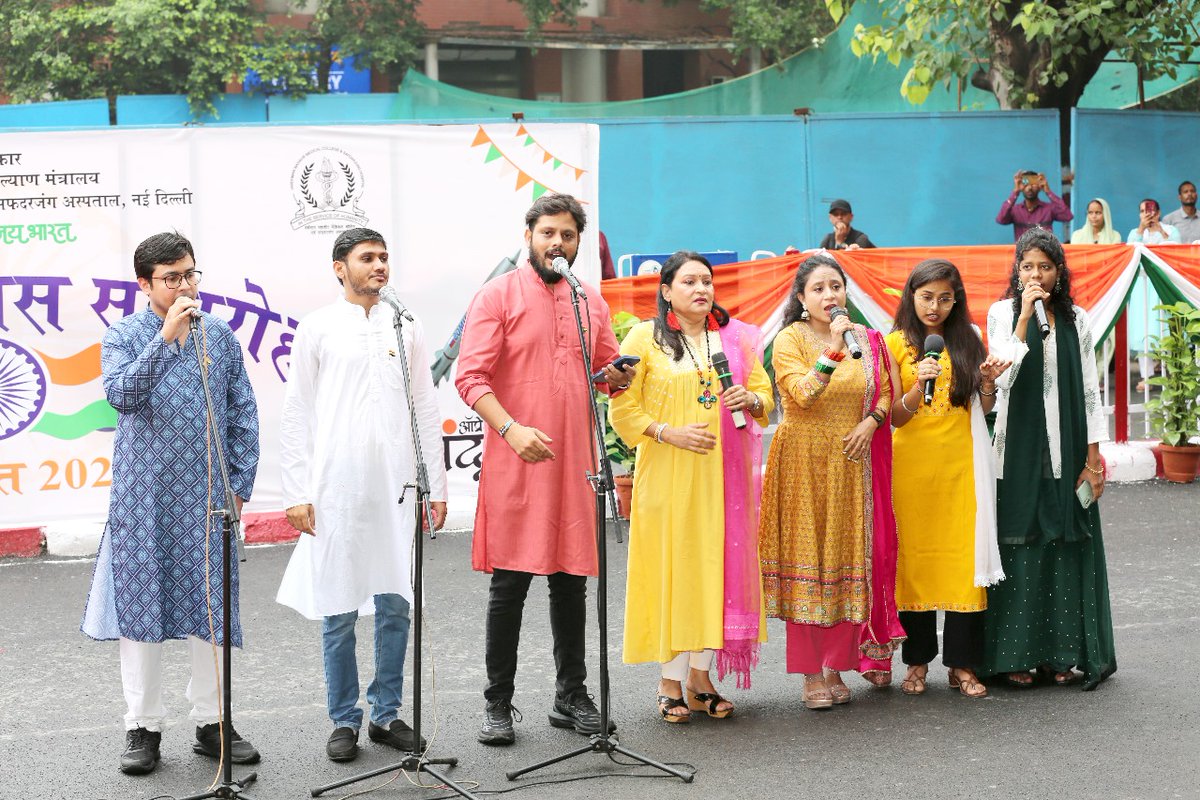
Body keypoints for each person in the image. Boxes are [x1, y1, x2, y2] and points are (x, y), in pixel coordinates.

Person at [455, 193, 636, 746]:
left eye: (568, 235)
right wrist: (512, 430)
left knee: (570, 582)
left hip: (575, 462)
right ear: (528, 235)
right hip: (517, 458)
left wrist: (619, 375)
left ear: (579, 242)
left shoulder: (589, 300)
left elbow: (603, 369)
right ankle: (498, 704)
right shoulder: (498, 295)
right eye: (548, 233)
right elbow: (470, 378)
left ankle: (570, 695)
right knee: (509, 586)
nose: (557, 243)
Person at [80, 231, 260, 775]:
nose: (185, 286)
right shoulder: (125, 335)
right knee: (142, 610)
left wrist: (239, 484)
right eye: (172, 278)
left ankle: (212, 721)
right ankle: (143, 726)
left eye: (190, 274)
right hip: (145, 497)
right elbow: (121, 395)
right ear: (145, 283)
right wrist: (164, 338)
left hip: (207, 497)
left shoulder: (219, 336)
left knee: (211, 611)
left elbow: (242, 411)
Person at [276, 228, 448, 762]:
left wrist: (435, 486)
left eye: (384, 258)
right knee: (340, 607)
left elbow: (424, 405)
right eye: (366, 258)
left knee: (396, 601)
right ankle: (344, 719)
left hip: (396, 484)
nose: (379, 267)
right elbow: (297, 411)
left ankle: (387, 714)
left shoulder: (408, 325)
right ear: (339, 267)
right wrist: (298, 490)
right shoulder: (318, 328)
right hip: (338, 488)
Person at [610, 251, 774, 723]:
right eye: (689, 282)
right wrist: (668, 432)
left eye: (707, 281)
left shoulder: (735, 339)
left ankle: (702, 678)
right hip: (668, 476)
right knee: (674, 574)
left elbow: (763, 399)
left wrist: (754, 398)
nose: (701, 289)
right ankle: (669, 680)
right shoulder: (644, 338)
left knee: (714, 573)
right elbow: (623, 410)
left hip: (726, 479)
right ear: (666, 291)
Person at [758, 253, 904, 710]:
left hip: (850, 461)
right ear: (802, 299)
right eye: (818, 289)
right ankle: (808, 674)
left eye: (835, 287)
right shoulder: (789, 339)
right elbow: (801, 393)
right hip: (802, 463)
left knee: (846, 561)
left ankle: (835, 667)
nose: (829, 296)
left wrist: (873, 421)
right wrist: (833, 350)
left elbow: (883, 391)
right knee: (809, 562)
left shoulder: (867, 338)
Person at [980, 227, 1117, 690]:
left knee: (1064, 542)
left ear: (1059, 273)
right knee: (1020, 542)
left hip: (1067, 446)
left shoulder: (1077, 318)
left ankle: (1063, 654)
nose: (1036, 274)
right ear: (1016, 272)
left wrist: (1092, 460)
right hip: (1016, 449)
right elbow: (1001, 378)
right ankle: (1015, 655)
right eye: (1027, 266)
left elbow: (1089, 390)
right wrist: (1022, 319)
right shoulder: (1001, 314)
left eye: (1045, 266)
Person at [885, 260, 1011, 699]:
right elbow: (895, 418)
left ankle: (962, 664)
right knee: (914, 562)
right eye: (925, 297)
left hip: (962, 467)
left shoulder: (969, 340)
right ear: (911, 297)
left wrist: (990, 383)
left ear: (955, 299)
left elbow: (983, 405)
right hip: (912, 469)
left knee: (963, 560)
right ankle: (917, 661)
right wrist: (918, 386)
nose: (934, 307)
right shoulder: (895, 344)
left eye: (943, 297)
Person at [996, 170, 1073, 241]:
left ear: (1040, 187)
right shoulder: (1015, 210)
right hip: (1023, 254)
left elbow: (1067, 216)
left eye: (1033, 184)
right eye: (1025, 184)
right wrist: (1015, 192)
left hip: (1044, 253)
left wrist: (1048, 191)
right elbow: (1001, 219)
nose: (1029, 188)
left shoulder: (1049, 209)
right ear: (1021, 187)